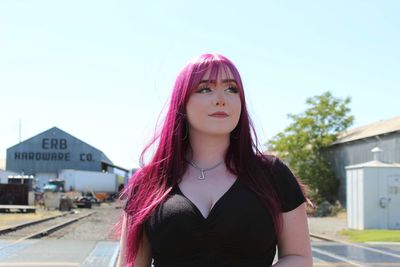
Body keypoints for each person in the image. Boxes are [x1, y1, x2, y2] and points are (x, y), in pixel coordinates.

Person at [117, 53, 312, 267]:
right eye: (205, 89)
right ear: (182, 102)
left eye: (231, 89)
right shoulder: (148, 182)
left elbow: (298, 257)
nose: (221, 99)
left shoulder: (272, 174)